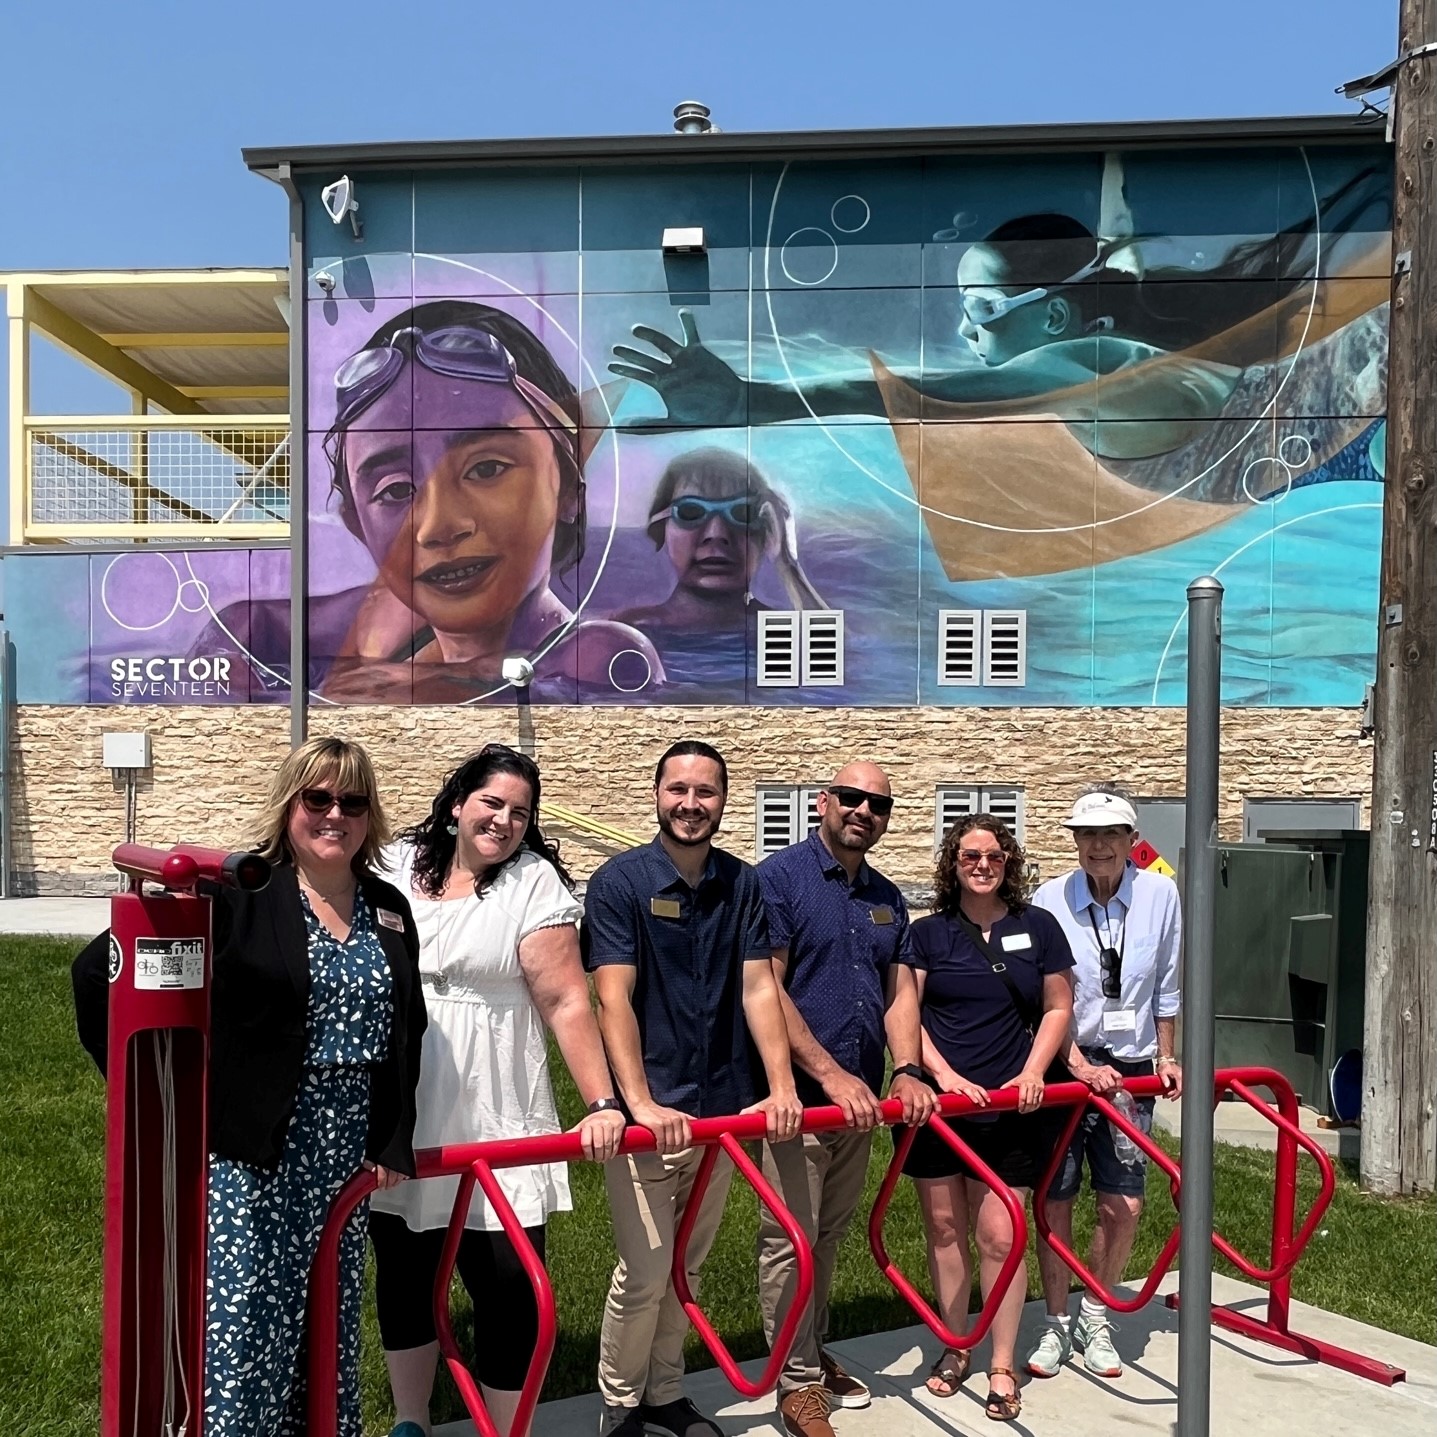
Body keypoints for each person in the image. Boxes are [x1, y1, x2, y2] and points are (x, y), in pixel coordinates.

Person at [70, 736, 426, 1437]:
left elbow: (407, 1029)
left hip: (344, 1162)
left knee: (322, 1333)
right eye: (316, 798)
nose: (334, 814)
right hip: (254, 1158)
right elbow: (97, 972)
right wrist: (152, 1089)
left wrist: (390, 1135)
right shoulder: (240, 895)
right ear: (289, 805)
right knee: (243, 1338)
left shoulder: (387, 907)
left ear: (370, 814)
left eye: (352, 800)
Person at [369, 745, 629, 1437]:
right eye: (492, 802)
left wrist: (601, 1102)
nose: (505, 819)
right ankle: (411, 1418)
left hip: (495, 1096)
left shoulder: (532, 882)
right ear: (458, 802)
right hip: (406, 1090)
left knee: (508, 1281)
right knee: (404, 1266)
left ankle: (506, 1428)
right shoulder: (393, 865)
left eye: (520, 811)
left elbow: (567, 999)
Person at [584, 740, 803, 1437]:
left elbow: (758, 984)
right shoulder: (619, 883)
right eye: (677, 788)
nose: (690, 803)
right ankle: (619, 1405)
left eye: (704, 791)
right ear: (656, 794)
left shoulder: (742, 884)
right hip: (650, 1116)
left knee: (687, 1266)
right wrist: (640, 1102)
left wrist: (777, 1087)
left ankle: (665, 1393)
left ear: (721, 801)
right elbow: (611, 998)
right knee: (646, 1270)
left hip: (719, 1114)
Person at [318, 299, 663, 702]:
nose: (438, 526)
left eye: (486, 470)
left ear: (568, 488)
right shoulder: (403, 675)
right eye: (396, 490)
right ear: (358, 525)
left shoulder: (601, 653)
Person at [754, 764, 938, 1437]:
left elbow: (899, 995)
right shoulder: (779, 880)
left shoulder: (887, 895)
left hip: (858, 1100)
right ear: (823, 803)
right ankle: (794, 1383)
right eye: (852, 798)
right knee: (790, 1241)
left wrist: (907, 1069)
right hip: (797, 1099)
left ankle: (805, 1349)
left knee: (826, 1236)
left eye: (879, 803)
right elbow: (767, 989)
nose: (864, 810)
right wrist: (830, 1076)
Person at [899, 813, 1074, 1423]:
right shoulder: (927, 934)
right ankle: (955, 1347)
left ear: (1009, 863)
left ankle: (1001, 1362)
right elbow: (906, 1011)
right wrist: (942, 1078)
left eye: (994, 856)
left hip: (1011, 1108)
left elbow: (1058, 1007)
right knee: (945, 1231)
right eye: (970, 855)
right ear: (953, 863)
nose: (982, 864)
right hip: (941, 1110)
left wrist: (1032, 1072)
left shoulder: (1039, 927)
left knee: (1002, 1236)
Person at [1025, 786, 1182, 1382]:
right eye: (1087, 835)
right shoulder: (1050, 899)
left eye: (1111, 834)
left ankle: (1096, 1312)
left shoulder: (1161, 894)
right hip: (1068, 1060)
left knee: (1125, 1201)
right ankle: (1056, 1321)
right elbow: (1045, 995)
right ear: (1074, 842)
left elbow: (1167, 982)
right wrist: (1074, 1062)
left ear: (1131, 842)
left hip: (1134, 1065)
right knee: (1057, 1196)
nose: (1098, 846)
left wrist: (1168, 1055)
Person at [612, 447, 828, 632]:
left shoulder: (779, 630)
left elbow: (832, 663)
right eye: (691, 512)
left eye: (742, 513)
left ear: (768, 533)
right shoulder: (631, 629)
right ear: (659, 530)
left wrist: (786, 563)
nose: (717, 534)